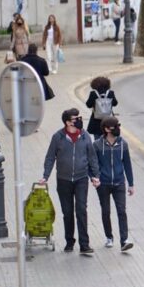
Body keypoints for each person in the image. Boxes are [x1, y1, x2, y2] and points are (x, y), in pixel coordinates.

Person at [39, 108, 100, 254]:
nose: (79, 121)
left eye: (80, 118)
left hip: (81, 179)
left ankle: (84, 245)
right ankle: (69, 242)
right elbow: (50, 157)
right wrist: (45, 176)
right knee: (67, 212)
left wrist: (95, 176)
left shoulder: (85, 136)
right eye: (76, 119)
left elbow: (92, 157)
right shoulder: (58, 137)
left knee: (81, 210)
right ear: (67, 122)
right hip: (63, 180)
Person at [94, 116, 135, 252]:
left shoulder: (123, 144)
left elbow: (127, 164)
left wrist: (131, 183)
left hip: (119, 183)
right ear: (106, 129)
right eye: (115, 126)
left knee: (121, 211)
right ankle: (109, 237)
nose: (118, 129)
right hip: (103, 184)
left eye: (118, 125)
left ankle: (124, 240)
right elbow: (93, 164)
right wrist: (95, 177)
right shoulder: (98, 145)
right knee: (106, 211)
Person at [86, 76, 118, 141]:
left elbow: (88, 105)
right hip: (108, 120)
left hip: (96, 121)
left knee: (97, 139)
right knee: (109, 137)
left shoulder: (93, 93)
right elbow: (115, 103)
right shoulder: (110, 93)